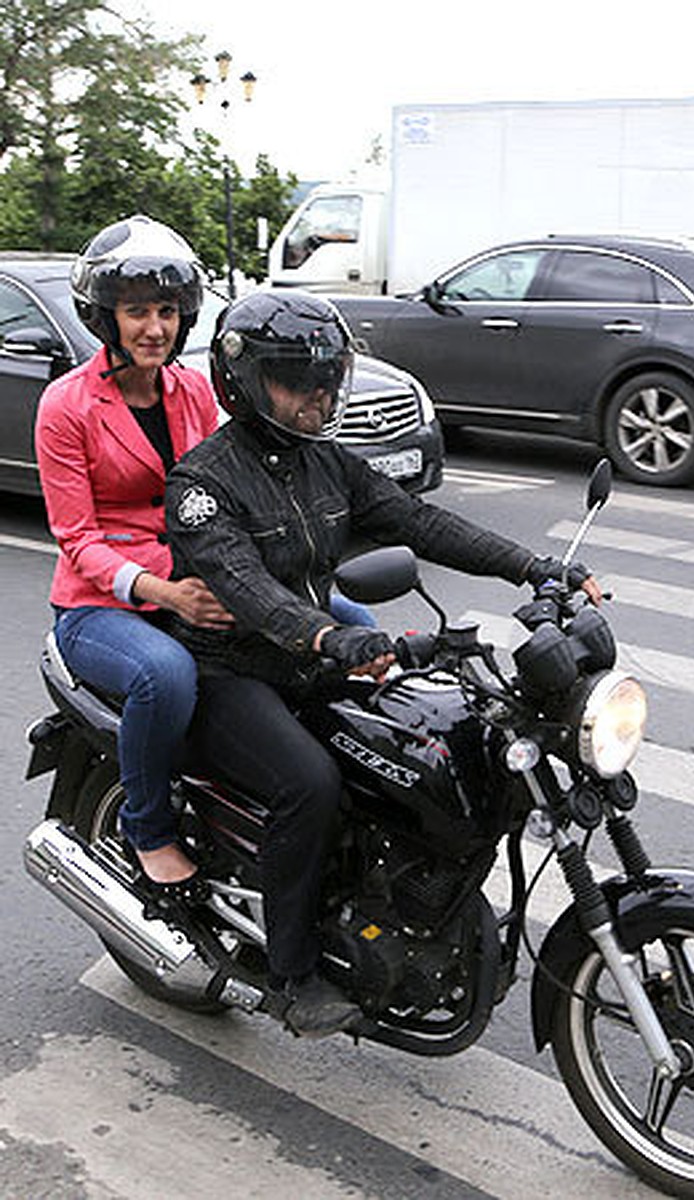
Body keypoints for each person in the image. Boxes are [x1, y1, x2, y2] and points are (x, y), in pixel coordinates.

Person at [164, 291, 599, 1037]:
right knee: (309, 782)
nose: (319, 397)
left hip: (310, 664)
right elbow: (250, 592)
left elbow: (420, 521)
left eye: (328, 379)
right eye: (299, 381)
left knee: (440, 741)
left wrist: (536, 568)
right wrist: (337, 639)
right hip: (231, 672)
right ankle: (293, 973)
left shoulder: (326, 462)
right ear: (243, 384)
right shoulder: (202, 485)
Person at [35, 215, 235, 901]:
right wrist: (166, 590)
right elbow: (77, 538)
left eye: (167, 311)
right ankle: (147, 828)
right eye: (137, 311)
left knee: (329, 612)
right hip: (98, 606)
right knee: (165, 676)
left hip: (192, 575)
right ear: (107, 318)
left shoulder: (194, 391)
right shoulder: (66, 406)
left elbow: (220, 492)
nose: (155, 327)